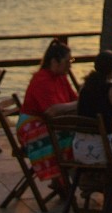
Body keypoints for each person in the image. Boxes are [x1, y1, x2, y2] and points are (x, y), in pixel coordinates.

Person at [17, 39, 79, 182]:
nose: (70, 65)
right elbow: (52, 111)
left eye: (71, 61)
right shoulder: (42, 80)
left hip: (52, 121)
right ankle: (66, 178)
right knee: (72, 136)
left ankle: (68, 177)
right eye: (68, 61)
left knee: (80, 131)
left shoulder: (61, 77)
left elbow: (73, 100)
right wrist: (76, 105)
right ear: (54, 62)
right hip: (32, 126)